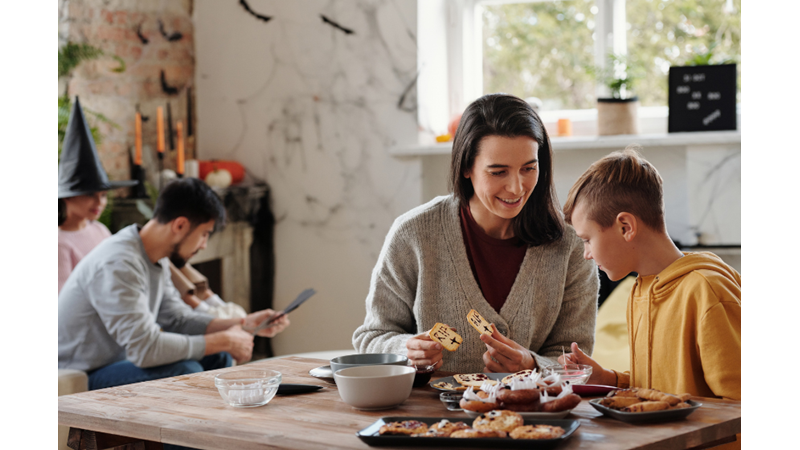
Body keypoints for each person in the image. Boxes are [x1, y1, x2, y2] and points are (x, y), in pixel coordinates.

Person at [352, 93, 599, 374]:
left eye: (529, 168)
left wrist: (532, 364)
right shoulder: (414, 234)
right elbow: (371, 337)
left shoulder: (571, 246)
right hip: (430, 414)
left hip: (530, 413)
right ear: (467, 166)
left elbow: (575, 358)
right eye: (498, 172)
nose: (517, 188)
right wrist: (405, 349)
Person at [58, 177, 289, 390]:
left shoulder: (154, 257)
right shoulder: (119, 263)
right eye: (204, 234)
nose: (204, 245)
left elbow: (178, 320)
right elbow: (145, 349)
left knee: (218, 357)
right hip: (82, 371)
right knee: (187, 370)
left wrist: (243, 323)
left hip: (119, 361)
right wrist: (223, 340)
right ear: (180, 225)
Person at [559, 147, 741, 401]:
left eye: (587, 240)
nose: (586, 253)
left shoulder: (707, 291)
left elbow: (740, 404)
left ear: (626, 227)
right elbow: (656, 387)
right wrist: (609, 379)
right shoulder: (640, 290)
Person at [58, 97, 137, 293]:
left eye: (103, 196)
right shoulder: (59, 243)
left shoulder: (100, 231)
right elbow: (63, 298)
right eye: (90, 195)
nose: (99, 203)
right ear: (68, 196)